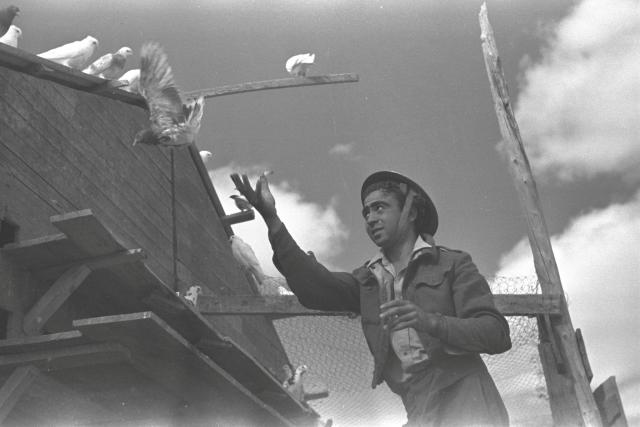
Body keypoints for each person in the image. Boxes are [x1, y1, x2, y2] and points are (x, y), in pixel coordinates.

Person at [231, 170, 512, 427]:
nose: (370, 218)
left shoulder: (452, 264)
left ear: (410, 212)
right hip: (418, 408)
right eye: (366, 212)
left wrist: (430, 322)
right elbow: (314, 285)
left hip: (469, 400)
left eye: (380, 207)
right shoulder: (368, 280)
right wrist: (272, 218)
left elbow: (496, 334)